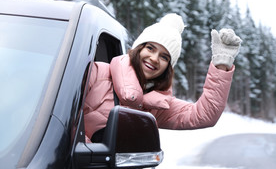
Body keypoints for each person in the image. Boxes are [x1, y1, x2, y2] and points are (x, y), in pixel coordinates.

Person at [83, 13, 242, 143]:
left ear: (168, 67)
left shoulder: (157, 106)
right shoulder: (96, 73)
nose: (154, 58)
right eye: (150, 48)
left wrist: (221, 65)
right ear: (138, 49)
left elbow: (204, 115)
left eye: (164, 57)